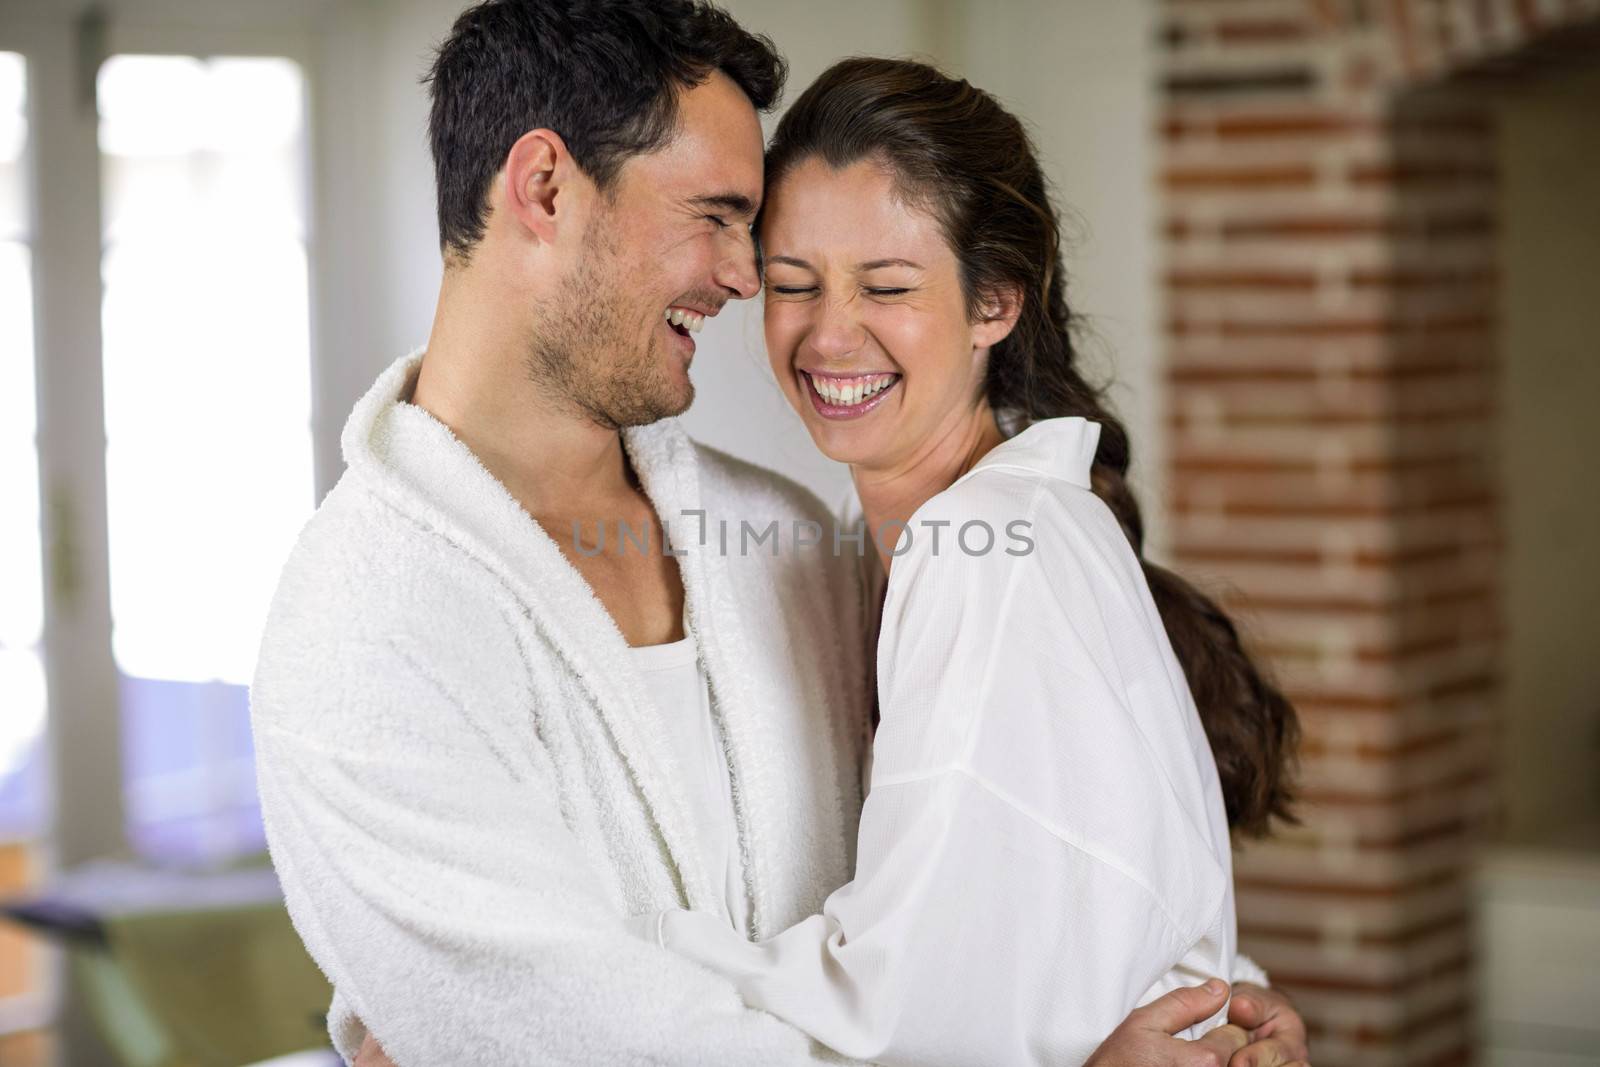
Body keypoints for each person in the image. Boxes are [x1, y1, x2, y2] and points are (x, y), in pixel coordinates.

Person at [249, 2, 1307, 1064]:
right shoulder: (357, 625)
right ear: (543, 188)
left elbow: (1013, 900)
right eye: (716, 217)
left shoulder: (791, 542)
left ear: (995, 305)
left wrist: (1201, 993)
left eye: (751, 232)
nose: (747, 278)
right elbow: (560, 1034)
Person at [627, 57, 1304, 1067]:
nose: (828, 334)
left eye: (887, 287)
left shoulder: (981, 552)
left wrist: (522, 985)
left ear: (994, 304)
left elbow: (900, 1010)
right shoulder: (959, 538)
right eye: (793, 283)